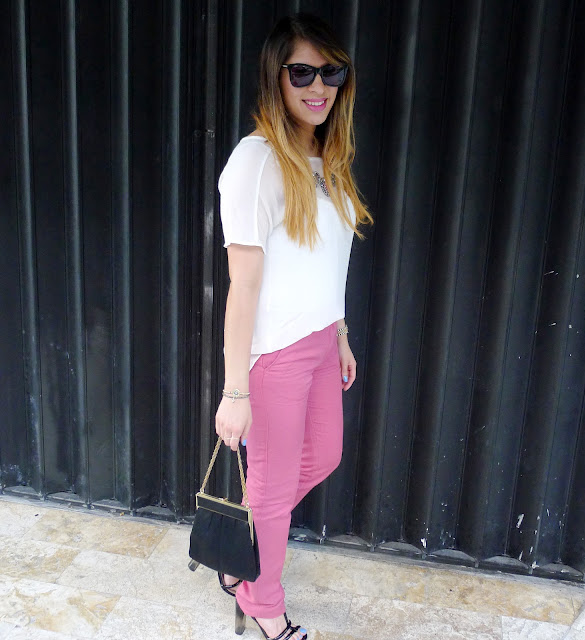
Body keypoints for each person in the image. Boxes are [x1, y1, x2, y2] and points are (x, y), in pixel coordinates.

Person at [214, 13, 372, 640]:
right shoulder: (256, 161)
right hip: (275, 354)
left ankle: (244, 545)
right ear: (275, 77)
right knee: (274, 491)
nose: (318, 86)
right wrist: (234, 392)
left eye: (331, 73)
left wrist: (340, 334)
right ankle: (263, 603)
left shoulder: (327, 159)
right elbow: (243, 286)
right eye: (302, 72)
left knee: (323, 457)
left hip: (321, 343)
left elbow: (328, 262)